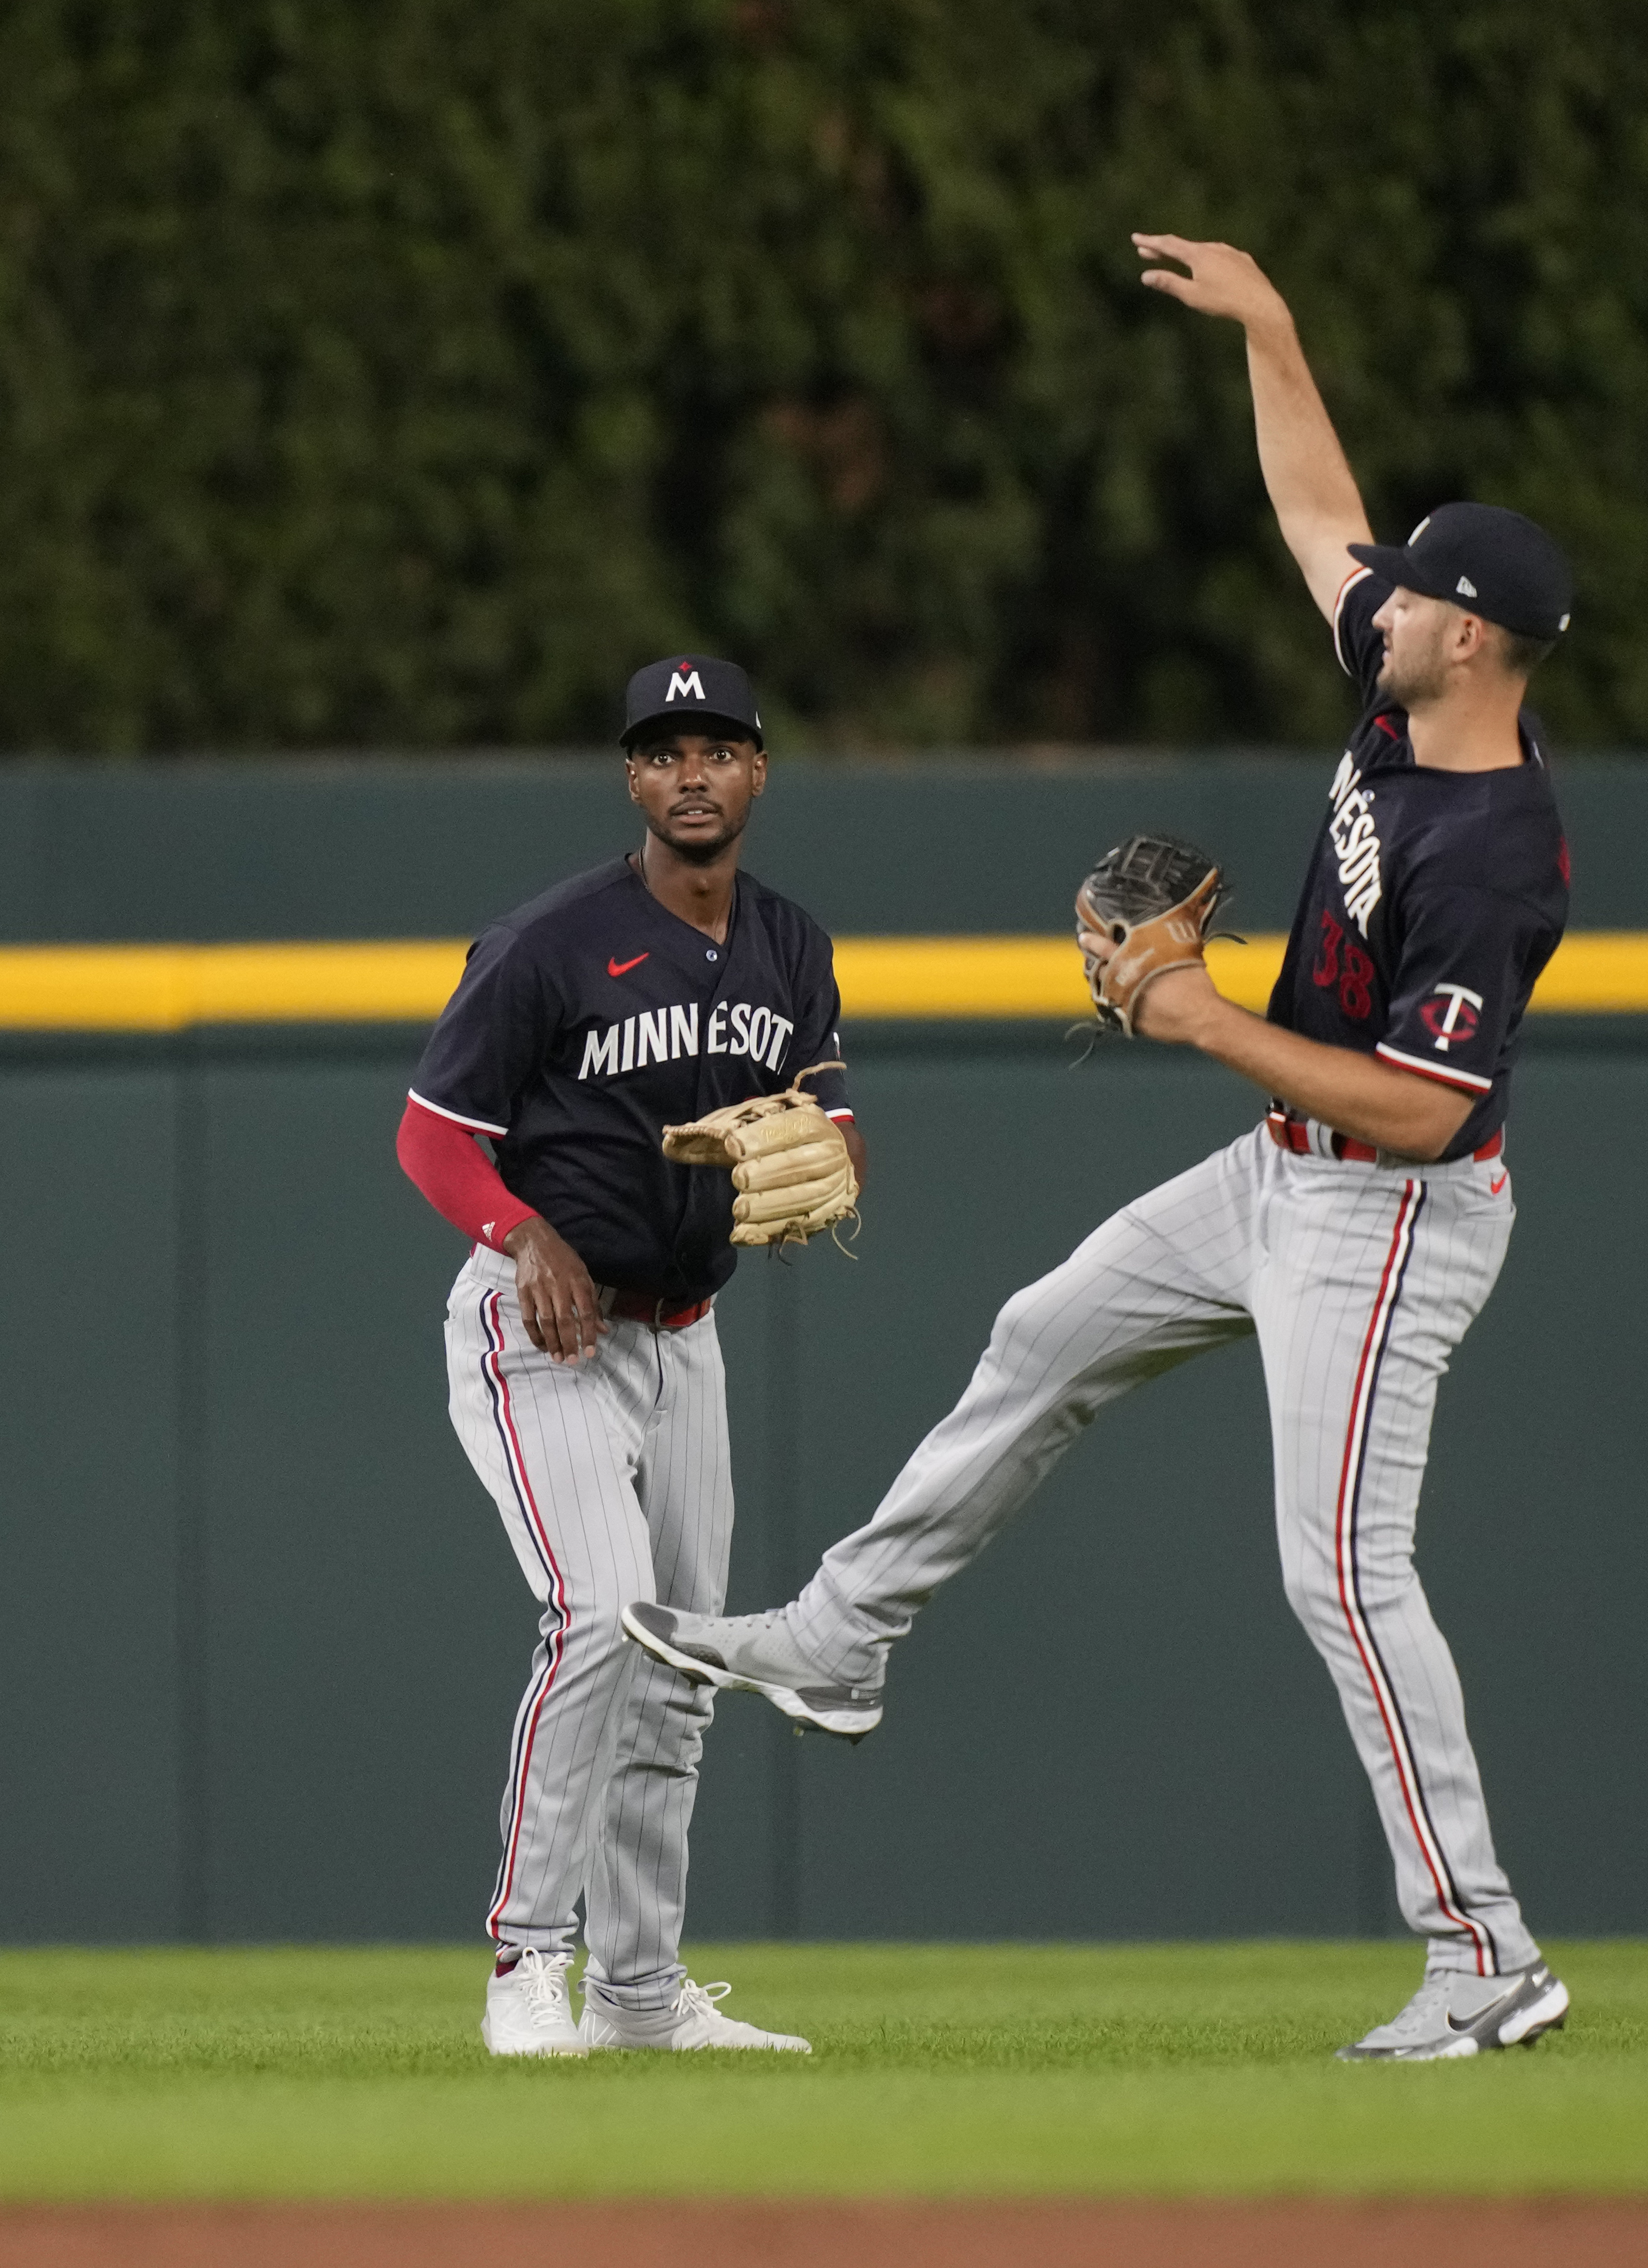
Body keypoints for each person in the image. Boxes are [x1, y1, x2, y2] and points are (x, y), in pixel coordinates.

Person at [625, 235, 1580, 2063]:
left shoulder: (1494, 853)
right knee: (1040, 1333)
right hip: (1282, 1175)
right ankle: (842, 1636)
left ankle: (1485, 1953)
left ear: (1471, 635)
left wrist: (1197, 1012)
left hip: (1392, 1215)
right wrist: (1276, 326)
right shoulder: (1402, 694)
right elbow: (1322, 515)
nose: (1370, 599)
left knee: (1344, 1571)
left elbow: (1430, 1105)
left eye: (1410, 597)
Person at [397, 654, 862, 2057]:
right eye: (664, 752)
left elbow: (827, 1108)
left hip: (686, 1335)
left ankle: (643, 1993)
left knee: (681, 1667)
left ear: (758, 772)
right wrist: (521, 1229)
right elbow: (432, 1131)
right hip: (542, 1326)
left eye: (719, 747)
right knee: (600, 1615)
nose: (693, 772)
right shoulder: (547, 942)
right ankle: (526, 1961)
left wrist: (833, 1151)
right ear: (634, 781)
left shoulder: (792, 946)